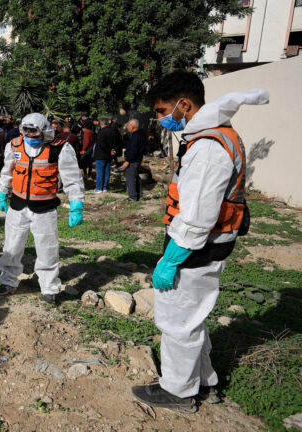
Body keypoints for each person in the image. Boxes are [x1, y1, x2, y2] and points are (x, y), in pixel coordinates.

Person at [131, 71, 268, 413]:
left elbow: (197, 215)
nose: (162, 118)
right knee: (193, 317)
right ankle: (206, 381)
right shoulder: (215, 136)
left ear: (184, 104)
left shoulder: (207, 147)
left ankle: (177, 391)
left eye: (163, 110)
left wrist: (173, 257)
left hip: (196, 246)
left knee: (177, 321)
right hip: (211, 242)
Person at [0, 113, 85, 304]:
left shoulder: (59, 149)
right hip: (18, 205)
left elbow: (72, 178)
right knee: (11, 246)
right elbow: (7, 170)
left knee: (47, 249)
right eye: (26, 133)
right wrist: (2, 191)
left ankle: (49, 288)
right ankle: (7, 281)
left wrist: (76, 205)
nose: (30, 137)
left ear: (44, 132)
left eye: (34, 134)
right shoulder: (15, 145)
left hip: (44, 208)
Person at [120, 119, 144, 201]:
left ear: (132, 126)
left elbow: (133, 150)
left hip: (133, 160)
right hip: (137, 159)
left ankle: (132, 197)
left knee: (130, 178)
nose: (127, 127)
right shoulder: (139, 135)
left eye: (128, 125)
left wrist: (127, 161)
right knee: (136, 177)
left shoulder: (136, 136)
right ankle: (140, 195)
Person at [93, 117, 118, 193]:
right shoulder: (113, 131)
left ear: (102, 124)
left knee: (100, 172)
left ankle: (98, 188)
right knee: (107, 171)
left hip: (101, 154)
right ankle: (105, 187)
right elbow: (116, 142)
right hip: (110, 155)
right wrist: (113, 150)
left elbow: (101, 144)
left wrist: (108, 150)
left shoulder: (101, 132)